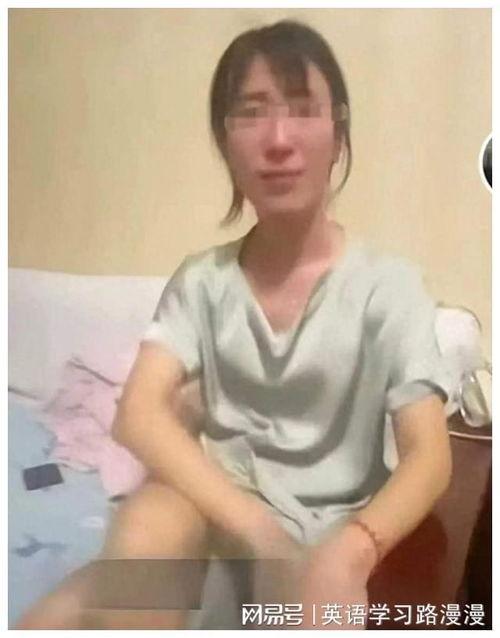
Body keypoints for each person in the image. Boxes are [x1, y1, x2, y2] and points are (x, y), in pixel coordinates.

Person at [16, 19, 452, 630]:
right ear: (225, 142)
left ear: (338, 133)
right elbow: (138, 413)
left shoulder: (390, 287)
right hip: (217, 516)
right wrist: (258, 532)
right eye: (251, 112)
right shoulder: (203, 281)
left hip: (330, 534)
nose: (278, 139)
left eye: (303, 109)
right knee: (131, 541)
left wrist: (355, 549)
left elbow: (429, 455)